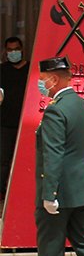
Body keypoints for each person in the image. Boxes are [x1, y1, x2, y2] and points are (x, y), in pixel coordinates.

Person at [19, 55, 84, 256]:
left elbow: (53, 154)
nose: (42, 84)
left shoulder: (56, 109)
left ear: (54, 80)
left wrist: (49, 194)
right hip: (82, 188)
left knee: (51, 249)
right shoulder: (82, 106)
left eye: (43, 80)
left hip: (60, 193)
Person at [1, 36, 30, 198]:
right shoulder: (2, 70)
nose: (13, 53)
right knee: (4, 162)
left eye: (16, 49)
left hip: (26, 122)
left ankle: (23, 194)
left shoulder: (31, 69)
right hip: (4, 123)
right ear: (6, 52)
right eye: (10, 50)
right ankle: (3, 195)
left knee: (25, 160)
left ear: (22, 49)